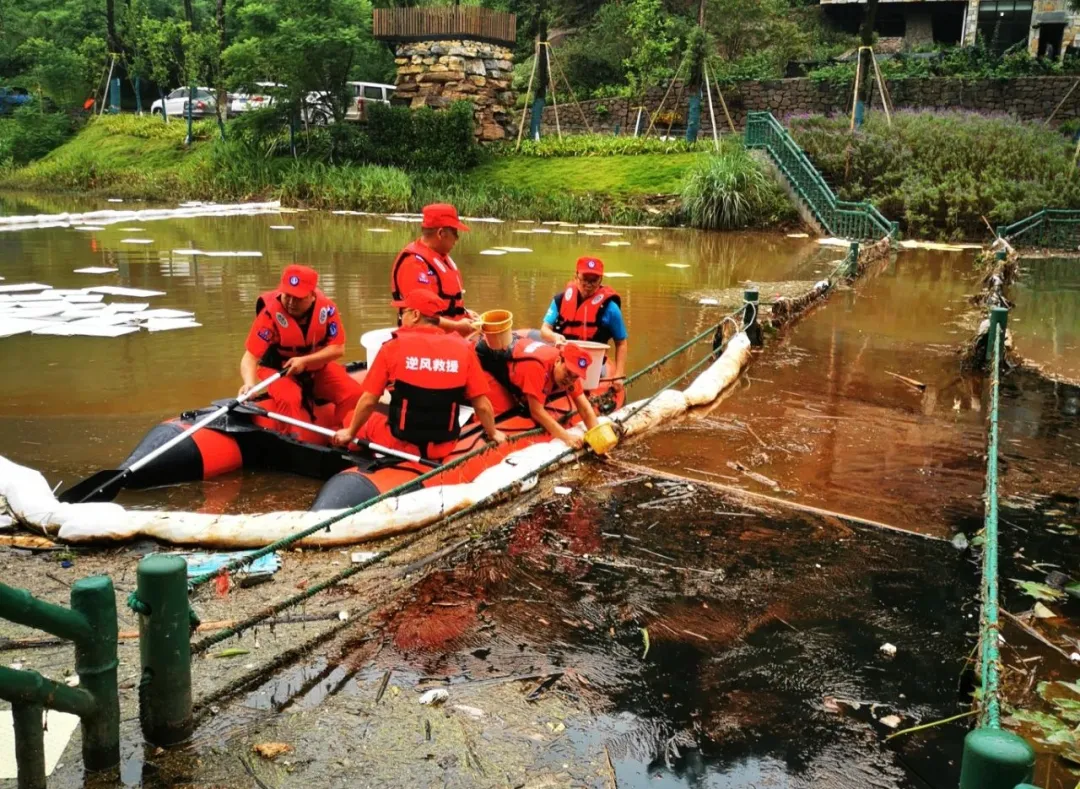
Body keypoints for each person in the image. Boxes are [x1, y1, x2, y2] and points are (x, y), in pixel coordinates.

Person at [332, 289, 506, 458]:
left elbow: (369, 401)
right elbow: (482, 405)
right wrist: (493, 433)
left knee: (350, 418)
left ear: (415, 315)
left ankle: (353, 457)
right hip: (444, 446)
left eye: (402, 313)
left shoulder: (392, 347)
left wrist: (350, 431)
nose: (400, 318)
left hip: (401, 443)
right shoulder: (464, 349)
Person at [239, 265, 362, 440]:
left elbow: (338, 349)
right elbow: (250, 357)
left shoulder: (327, 309)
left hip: (315, 367)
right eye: (287, 295)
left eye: (297, 298)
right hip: (279, 369)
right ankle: (292, 440)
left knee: (353, 393)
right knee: (289, 398)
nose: (290, 302)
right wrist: (249, 384)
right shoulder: (269, 314)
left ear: (312, 296)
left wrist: (305, 361)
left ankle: (339, 437)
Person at [483, 338, 600, 449]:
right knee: (501, 413)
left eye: (575, 377)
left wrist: (598, 438)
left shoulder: (571, 374)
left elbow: (585, 408)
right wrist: (567, 437)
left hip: (517, 354)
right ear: (558, 361)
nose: (569, 380)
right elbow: (536, 411)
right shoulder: (537, 367)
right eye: (567, 373)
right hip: (490, 359)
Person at [539, 256, 628, 392]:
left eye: (594, 280)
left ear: (600, 280)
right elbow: (544, 330)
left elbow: (621, 342)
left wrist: (619, 374)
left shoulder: (610, 308)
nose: (589, 284)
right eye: (585, 279)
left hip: (591, 366)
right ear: (576, 277)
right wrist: (554, 337)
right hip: (563, 363)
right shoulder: (560, 300)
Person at [391, 203, 476, 336]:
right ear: (441, 233)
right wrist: (457, 326)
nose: (457, 239)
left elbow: (447, 304)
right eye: (455, 233)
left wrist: (465, 313)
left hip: (450, 337)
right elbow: (421, 316)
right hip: (427, 341)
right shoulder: (413, 263)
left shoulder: (441, 257)